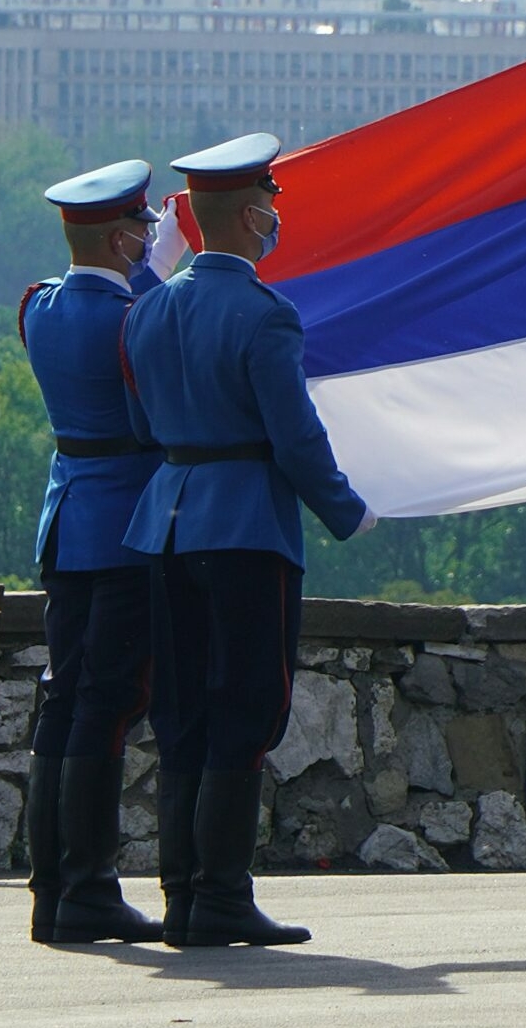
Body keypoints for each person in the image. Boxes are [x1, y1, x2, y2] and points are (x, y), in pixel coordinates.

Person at [119, 132, 377, 948]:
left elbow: (141, 425)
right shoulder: (266, 314)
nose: (274, 217)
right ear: (252, 214)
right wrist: (346, 509)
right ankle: (223, 895)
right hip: (245, 527)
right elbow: (295, 437)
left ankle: (183, 896)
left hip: (167, 522)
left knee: (182, 712)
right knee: (247, 706)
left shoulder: (148, 309)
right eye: (270, 204)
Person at [18, 159, 169, 944]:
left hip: (67, 521)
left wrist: (142, 270)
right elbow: (153, 419)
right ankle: (89, 887)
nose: (150, 237)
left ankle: (52, 890)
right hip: (123, 528)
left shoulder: (37, 308)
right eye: (142, 228)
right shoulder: (136, 318)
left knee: (64, 701)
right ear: (121, 238)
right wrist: (157, 277)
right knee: (106, 706)